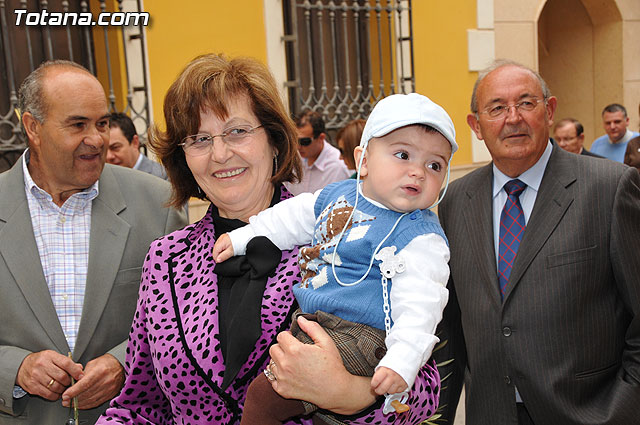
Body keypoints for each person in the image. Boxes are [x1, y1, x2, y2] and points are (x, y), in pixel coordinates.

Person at [97, 54, 442, 425]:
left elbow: (423, 392)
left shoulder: (342, 232)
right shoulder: (165, 259)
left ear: (275, 141)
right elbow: (138, 405)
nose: (220, 153)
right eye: (199, 139)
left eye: (238, 131)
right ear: (184, 158)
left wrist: (351, 395)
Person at [213, 93, 456, 425]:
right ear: (364, 160)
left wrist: (403, 360)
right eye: (403, 155)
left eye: (434, 165)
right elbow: (288, 219)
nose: (417, 172)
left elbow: (421, 307)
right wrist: (242, 237)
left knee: (263, 398)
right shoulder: (337, 195)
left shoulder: (420, 236)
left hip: (360, 336)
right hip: (316, 323)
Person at [433, 59, 640, 424]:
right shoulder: (453, 202)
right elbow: (451, 325)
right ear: (476, 126)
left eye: (526, 103)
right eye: (496, 108)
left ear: (550, 110)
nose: (513, 118)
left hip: (587, 413)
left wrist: (624, 408)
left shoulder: (610, 188)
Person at [0, 60, 187, 424]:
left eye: (101, 123)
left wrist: (124, 360)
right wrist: (15, 367)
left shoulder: (158, 204)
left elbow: (189, 321)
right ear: (33, 128)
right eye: (78, 125)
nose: (97, 139)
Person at [285, 110, 350, 195]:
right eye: (295, 141)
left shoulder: (339, 167)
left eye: (304, 141)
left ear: (321, 138)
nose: (298, 147)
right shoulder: (293, 160)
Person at [107, 112, 168, 180]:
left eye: (115, 147)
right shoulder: (104, 180)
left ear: (135, 142)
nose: (109, 156)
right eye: (104, 150)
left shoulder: (161, 178)